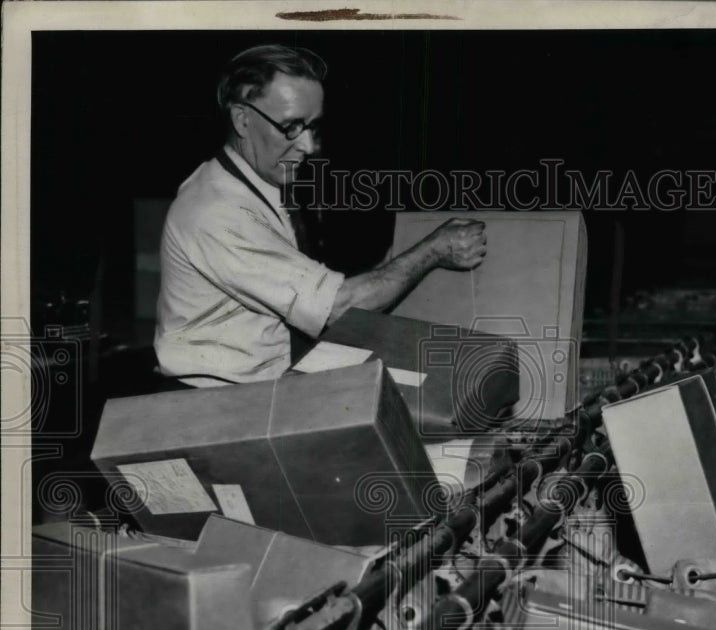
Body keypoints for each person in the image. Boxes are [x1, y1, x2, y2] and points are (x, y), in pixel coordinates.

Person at [155, 43, 486, 387]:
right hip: (221, 404)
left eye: (313, 126)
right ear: (242, 118)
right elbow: (336, 307)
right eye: (291, 127)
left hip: (267, 381)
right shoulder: (218, 211)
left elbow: (310, 291)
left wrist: (392, 266)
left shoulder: (258, 187)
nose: (309, 147)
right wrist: (432, 250)